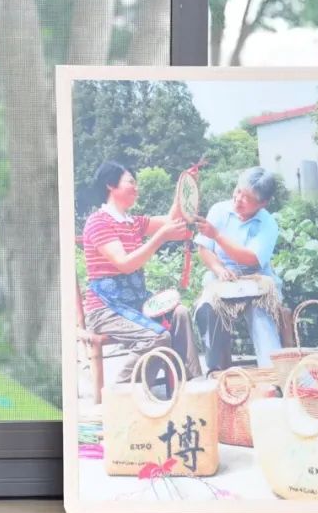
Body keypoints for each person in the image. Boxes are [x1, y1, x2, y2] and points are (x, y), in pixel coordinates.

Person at [81, 161, 203, 385]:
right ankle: (123, 392)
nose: (136, 188)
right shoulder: (98, 222)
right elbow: (125, 264)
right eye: (131, 182)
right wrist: (160, 238)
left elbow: (172, 220)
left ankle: (188, 383)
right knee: (157, 337)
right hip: (105, 310)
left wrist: (185, 187)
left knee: (180, 313)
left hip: (136, 304)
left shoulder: (133, 222)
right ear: (110, 185)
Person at [194, 167, 283, 372]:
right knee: (208, 308)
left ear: (262, 203)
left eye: (247, 197)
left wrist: (217, 236)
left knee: (261, 314)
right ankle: (214, 369)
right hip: (222, 278)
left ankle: (273, 374)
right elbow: (204, 248)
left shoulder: (268, 223)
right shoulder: (219, 210)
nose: (238, 199)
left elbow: (251, 258)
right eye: (238, 191)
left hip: (256, 280)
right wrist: (219, 269)